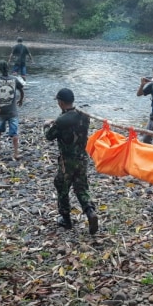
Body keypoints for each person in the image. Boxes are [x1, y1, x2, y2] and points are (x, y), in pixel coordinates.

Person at [44, 88, 98, 235]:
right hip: (82, 158)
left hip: (67, 161)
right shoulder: (84, 116)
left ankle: (66, 219)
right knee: (81, 187)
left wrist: (47, 125)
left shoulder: (61, 120)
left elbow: (49, 136)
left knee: (61, 186)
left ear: (61, 103)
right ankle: (90, 212)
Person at [0, 60, 24, 159]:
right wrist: (21, 100)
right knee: (14, 132)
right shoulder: (14, 79)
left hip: (0, 111)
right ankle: (16, 153)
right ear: (8, 68)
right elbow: (22, 90)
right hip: (12, 111)